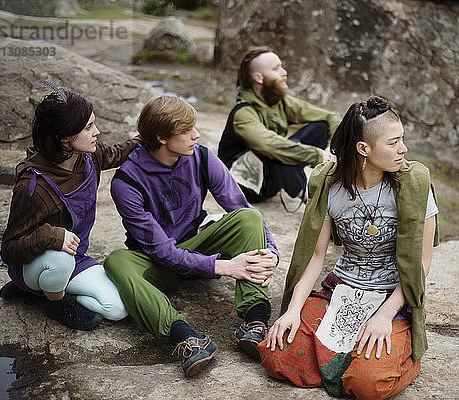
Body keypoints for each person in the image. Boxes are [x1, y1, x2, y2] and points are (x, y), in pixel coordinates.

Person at [257, 96, 440, 399]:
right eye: (394, 142)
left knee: (368, 384)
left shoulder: (414, 183)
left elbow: (420, 265)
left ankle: (402, 357)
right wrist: (292, 310)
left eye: (402, 139)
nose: (403, 149)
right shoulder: (329, 185)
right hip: (341, 290)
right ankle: (353, 359)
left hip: (392, 298)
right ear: (363, 149)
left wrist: (384, 315)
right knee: (276, 353)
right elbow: (317, 257)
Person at [103, 96, 279, 378]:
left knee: (249, 219)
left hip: (197, 244)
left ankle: (255, 322)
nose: (196, 135)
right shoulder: (127, 182)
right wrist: (222, 266)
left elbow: (240, 206)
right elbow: (161, 250)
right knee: (116, 262)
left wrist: (271, 252)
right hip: (156, 262)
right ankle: (186, 338)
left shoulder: (202, 156)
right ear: (161, 137)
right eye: (186, 130)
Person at [0, 82, 133, 331]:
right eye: (89, 127)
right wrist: (52, 236)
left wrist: (147, 138)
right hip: (39, 262)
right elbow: (9, 250)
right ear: (65, 138)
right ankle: (53, 302)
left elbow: (116, 153)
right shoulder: (34, 186)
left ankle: (43, 292)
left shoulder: (88, 157)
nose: (98, 132)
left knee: (117, 309)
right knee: (60, 261)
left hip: (75, 258)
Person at [217, 46, 341, 206]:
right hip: (245, 188)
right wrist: (317, 155)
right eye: (276, 69)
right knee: (276, 151)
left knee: (321, 127)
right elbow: (269, 146)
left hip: (271, 177)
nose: (284, 72)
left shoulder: (279, 101)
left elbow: (331, 116)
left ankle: (310, 189)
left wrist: (332, 150)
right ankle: (314, 201)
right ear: (259, 78)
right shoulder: (243, 113)